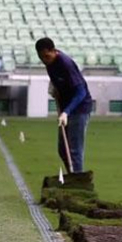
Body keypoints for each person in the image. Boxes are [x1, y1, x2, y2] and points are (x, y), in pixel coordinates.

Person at [35, 37, 93, 173]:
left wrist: (66, 112)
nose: (45, 60)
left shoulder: (65, 64)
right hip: (66, 108)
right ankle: (72, 176)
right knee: (63, 149)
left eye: (46, 56)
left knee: (74, 150)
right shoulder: (49, 64)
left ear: (54, 51)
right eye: (41, 57)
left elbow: (81, 92)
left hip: (79, 108)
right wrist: (55, 88)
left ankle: (78, 182)